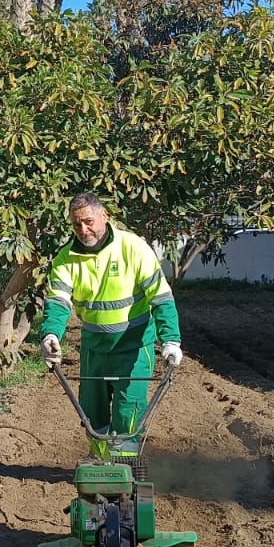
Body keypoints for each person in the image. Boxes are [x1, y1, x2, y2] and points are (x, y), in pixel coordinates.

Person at [39, 193, 182, 473]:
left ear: (105, 216)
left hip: (134, 348)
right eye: (76, 224)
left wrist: (171, 340)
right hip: (94, 349)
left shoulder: (133, 248)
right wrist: (50, 335)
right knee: (92, 415)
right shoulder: (66, 258)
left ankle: (125, 472)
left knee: (128, 414)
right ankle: (101, 466)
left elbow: (161, 297)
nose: (83, 230)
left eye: (88, 222)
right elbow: (58, 302)